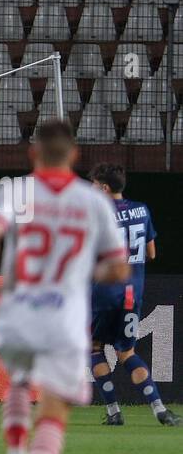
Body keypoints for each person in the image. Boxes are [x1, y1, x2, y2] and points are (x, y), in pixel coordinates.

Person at [0, 119, 130, 454]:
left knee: (20, 382)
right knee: (56, 407)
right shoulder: (91, 202)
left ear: (33, 154)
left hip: (17, 311)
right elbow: (119, 267)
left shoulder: (16, 191)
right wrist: (82, 270)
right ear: (75, 156)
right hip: (63, 319)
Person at [87, 163, 179, 427]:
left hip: (104, 293)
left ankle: (115, 411)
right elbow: (151, 253)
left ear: (104, 188)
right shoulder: (141, 209)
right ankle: (160, 409)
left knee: (93, 348)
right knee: (126, 352)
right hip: (132, 294)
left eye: (94, 185)